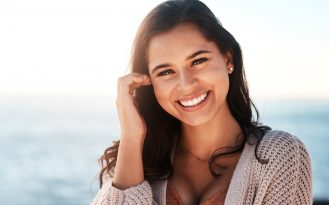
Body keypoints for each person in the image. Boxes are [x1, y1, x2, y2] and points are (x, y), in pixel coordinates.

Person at [91, 0, 312, 204]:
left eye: (198, 60)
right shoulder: (136, 161)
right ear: (149, 84)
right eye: (166, 71)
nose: (186, 84)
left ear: (227, 59)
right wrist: (131, 138)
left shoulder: (278, 155)